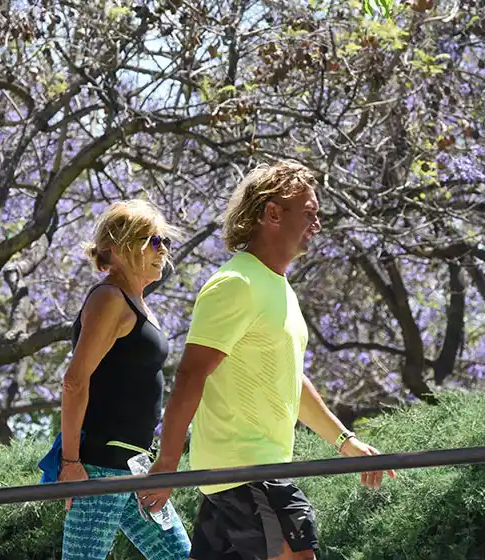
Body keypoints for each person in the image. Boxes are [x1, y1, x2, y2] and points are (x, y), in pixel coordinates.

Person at [138, 161, 396, 560]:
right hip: (249, 472)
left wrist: (345, 442)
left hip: (244, 475)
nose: (318, 223)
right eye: (309, 213)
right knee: (298, 555)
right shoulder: (236, 283)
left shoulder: (279, 287)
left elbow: (290, 380)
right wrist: (168, 464)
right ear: (273, 213)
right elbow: (190, 375)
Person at [58, 200, 191, 560]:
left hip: (134, 467)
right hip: (100, 467)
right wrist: (70, 464)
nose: (161, 249)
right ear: (118, 249)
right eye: (152, 241)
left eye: (163, 241)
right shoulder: (109, 298)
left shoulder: (137, 303)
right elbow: (74, 382)